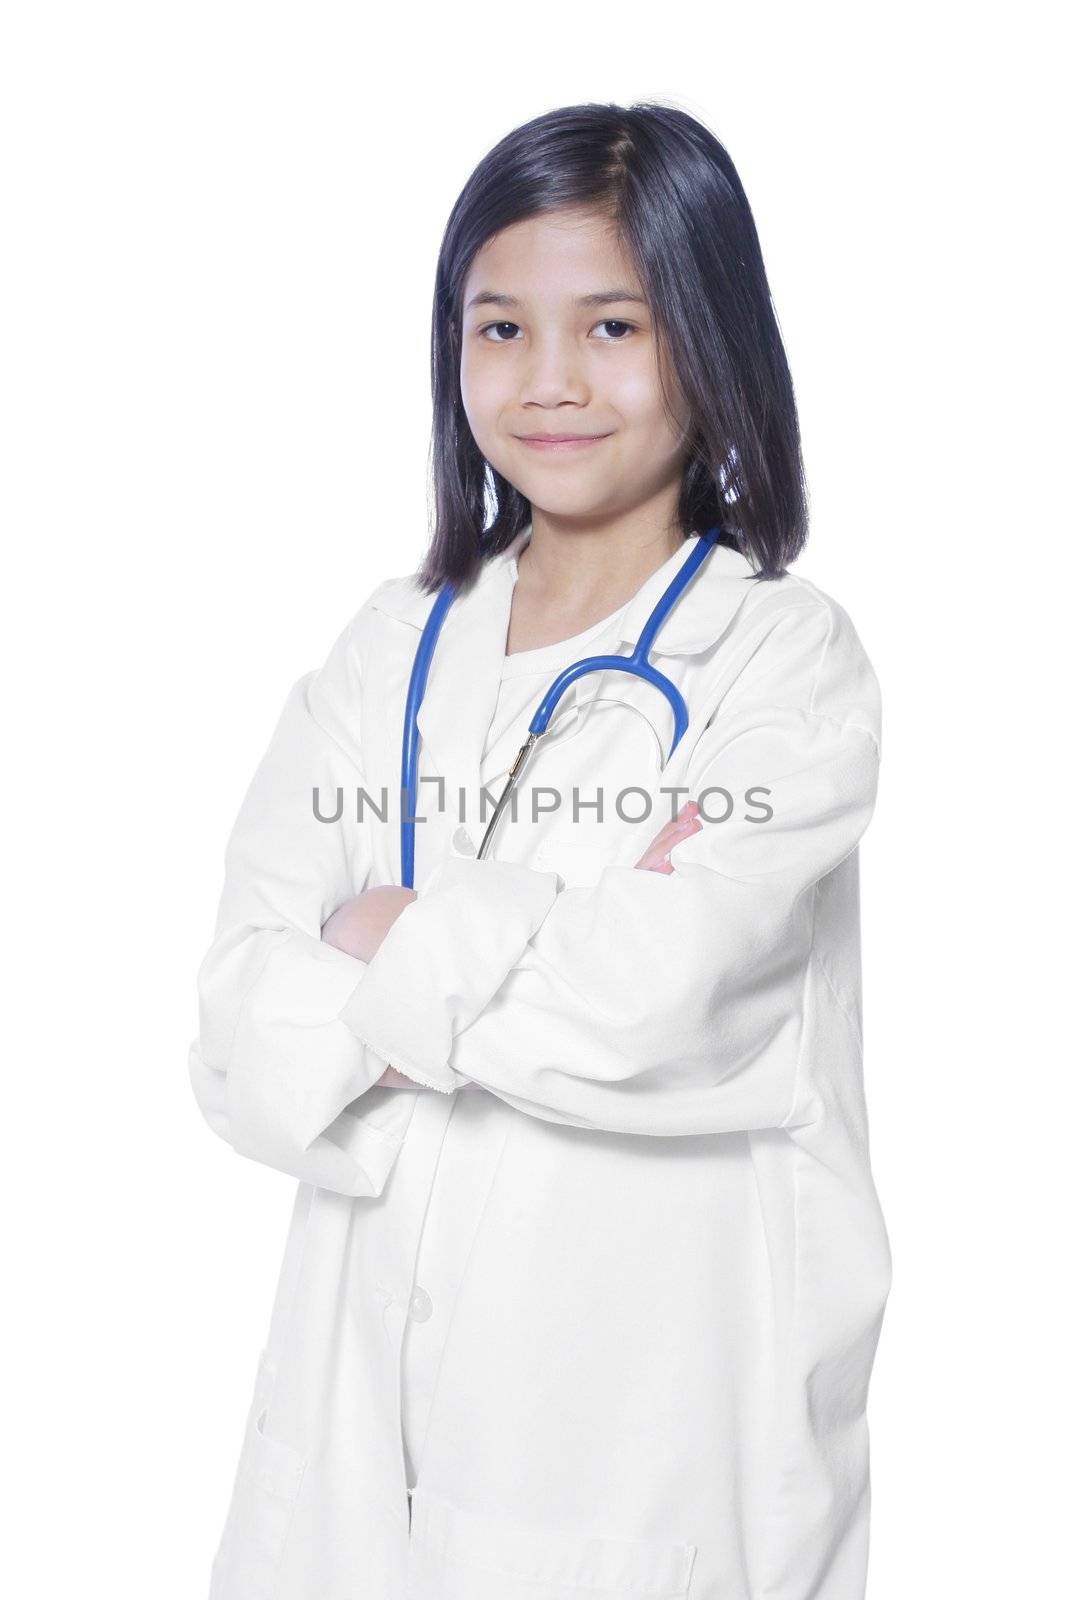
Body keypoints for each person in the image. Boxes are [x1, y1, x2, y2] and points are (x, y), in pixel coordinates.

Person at [189, 100, 890, 1600]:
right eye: (499, 327)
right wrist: (515, 943)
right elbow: (239, 1036)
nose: (548, 381)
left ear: (709, 342)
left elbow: (654, 1002)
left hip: (641, 1450)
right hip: (337, 1458)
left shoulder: (777, 667)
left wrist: (385, 943)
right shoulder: (389, 649)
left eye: (612, 327)